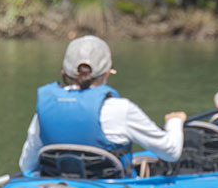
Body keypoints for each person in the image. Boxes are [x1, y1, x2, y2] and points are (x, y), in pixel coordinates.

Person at [18, 35, 186, 175]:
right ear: (107, 72)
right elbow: (171, 152)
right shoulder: (121, 110)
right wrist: (175, 122)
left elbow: (27, 167)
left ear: (65, 72)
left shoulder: (46, 109)